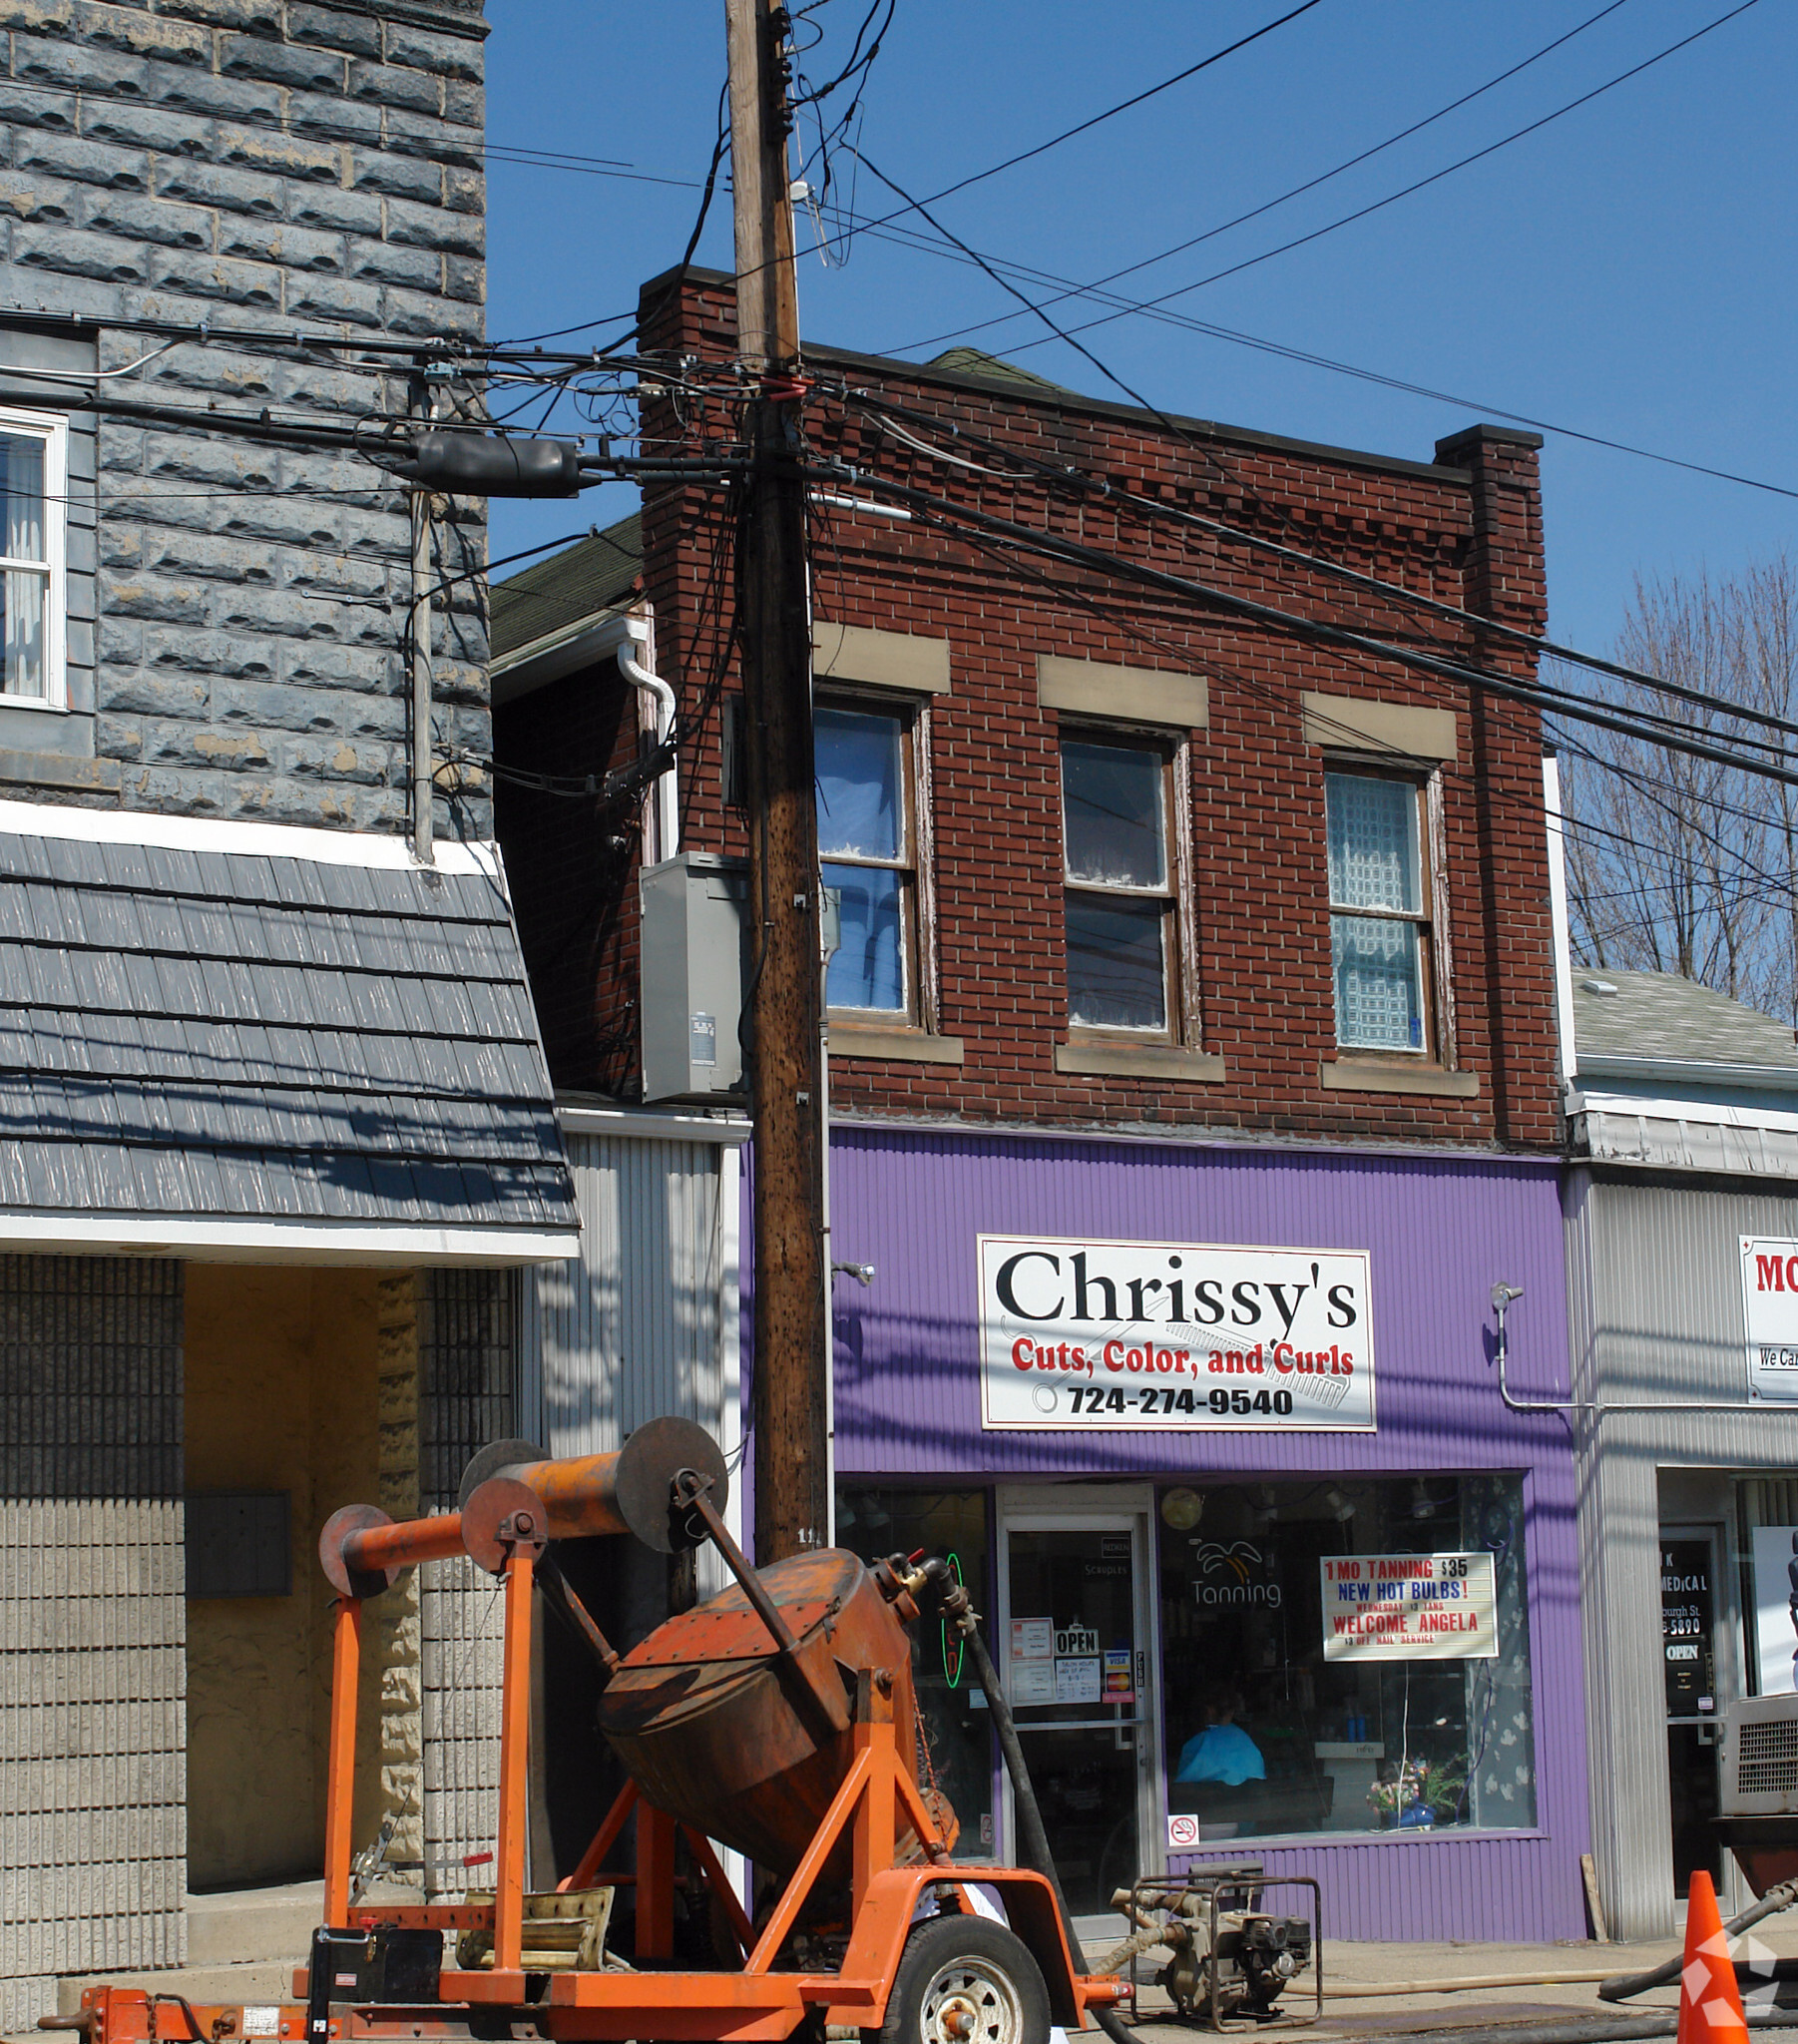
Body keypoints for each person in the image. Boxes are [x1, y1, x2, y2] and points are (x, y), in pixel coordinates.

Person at [1173, 1684, 1266, 1788]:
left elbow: (1184, 1786)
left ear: (1209, 1710)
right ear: (1232, 1711)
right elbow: (1258, 1777)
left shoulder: (1197, 1744)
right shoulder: (1244, 1740)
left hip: (1206, 1801)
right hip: (1248, 1800)